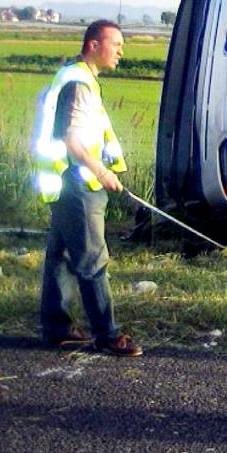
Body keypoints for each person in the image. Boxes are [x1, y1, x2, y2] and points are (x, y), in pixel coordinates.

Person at [34, 20, 142, 357]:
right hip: (79, 184)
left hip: (68, 182)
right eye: (116, 44)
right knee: (93, 260)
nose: (121, 51)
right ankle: (107, 335)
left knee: (61, 257)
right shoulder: (79, 82)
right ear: (93, 45)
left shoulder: (77, 77)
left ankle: (58, 329)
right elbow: (72, 139)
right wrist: (102, 172)